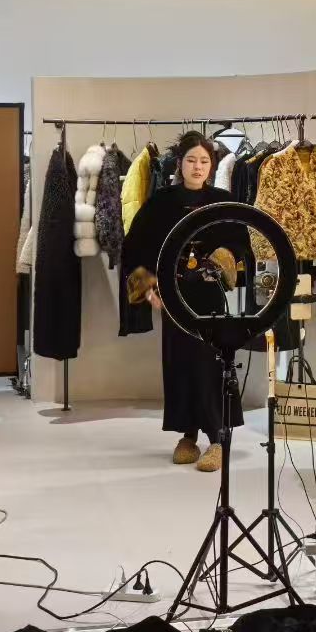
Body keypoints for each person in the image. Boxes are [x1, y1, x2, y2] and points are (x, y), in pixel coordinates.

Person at [121, 131, 251, 473]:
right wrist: (147, 290)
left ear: (212, 165)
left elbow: (242, 245)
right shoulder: (161, 202)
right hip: (174, 300)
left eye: (204, 161)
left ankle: (218, 438)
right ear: (179, 164)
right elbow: (133, 248)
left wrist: (226, 259)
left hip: (209, 298)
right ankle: (188, 436)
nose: (198, 167)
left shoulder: (223, 201)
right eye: (191, 160)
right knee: (179, 365)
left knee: (211, 365)